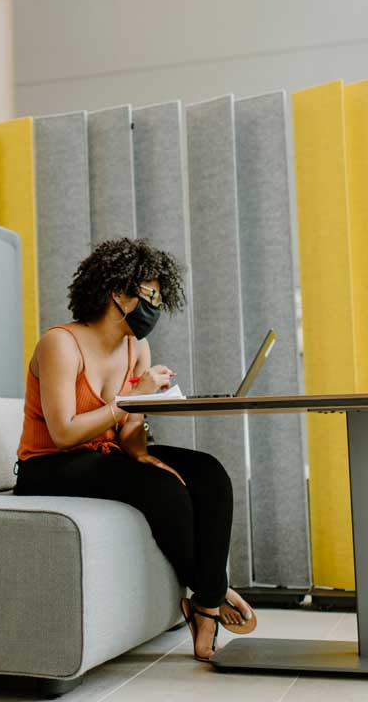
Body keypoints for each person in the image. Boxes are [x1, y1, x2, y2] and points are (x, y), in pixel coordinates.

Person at [14, 237, 256, 661]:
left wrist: (143, 450)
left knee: (210, 474)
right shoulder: (60, 344)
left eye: (161, 296)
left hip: (104, 455)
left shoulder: (135, 346)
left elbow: (127, 434)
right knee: (164, 491)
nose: (157, 306)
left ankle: (203, 604)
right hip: (50, 465)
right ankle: (212, 598)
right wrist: (132, 398)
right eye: (150, 295)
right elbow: (64, 434)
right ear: (117, 294)